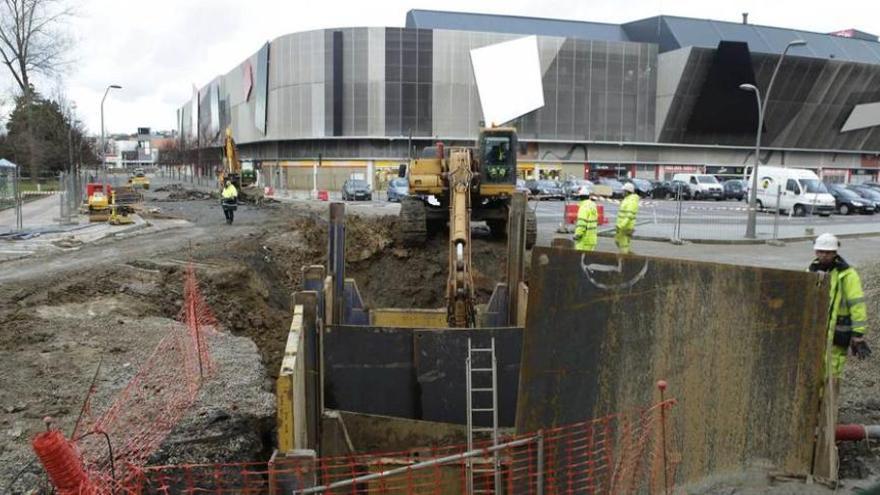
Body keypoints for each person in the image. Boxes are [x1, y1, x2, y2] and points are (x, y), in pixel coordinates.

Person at [808, 233, 871, 380]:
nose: (823, 255)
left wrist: (858, 335)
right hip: (815, 332)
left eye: (828, 252)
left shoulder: (848, 275)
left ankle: (828, 401)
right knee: (812, 371)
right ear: (816, 252)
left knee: (831, 374)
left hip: (837, 333)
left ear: (835, 253)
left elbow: (857, 305)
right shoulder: (810, 271)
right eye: (820, 252)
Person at [615, 182, 639, 254]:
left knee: (623, 244)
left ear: (627, 191)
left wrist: (621, 225)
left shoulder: (631, 201)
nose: (622, 192)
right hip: (623, 226)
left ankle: (625, 259)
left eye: (624, 191)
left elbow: (629, 216)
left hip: (625, 227)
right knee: (618, 241)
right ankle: (628, 256)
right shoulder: (627, 199)